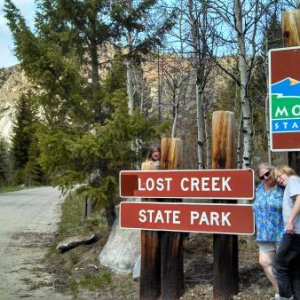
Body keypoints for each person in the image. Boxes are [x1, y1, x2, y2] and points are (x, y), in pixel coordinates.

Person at [253, 162, 285, 299]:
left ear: (273, 171)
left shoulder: (283, 187)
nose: (266, 177)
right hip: (263, 233)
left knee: (283, 265)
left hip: (282, 233)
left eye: (267, 173)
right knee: (265, 262)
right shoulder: (257, 189)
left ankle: (291, 293)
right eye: (262, 176)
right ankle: (281, 293)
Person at [272, 165, 300, 300]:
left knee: (279, 264)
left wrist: (290, 221)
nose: (278, 179)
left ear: (287, 171)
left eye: (279, 175)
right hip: (296, 231)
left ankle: (286, 296)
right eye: (276, 178)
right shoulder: (291, 184)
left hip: (294, 232)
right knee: (294, 267)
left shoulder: (293, 180)